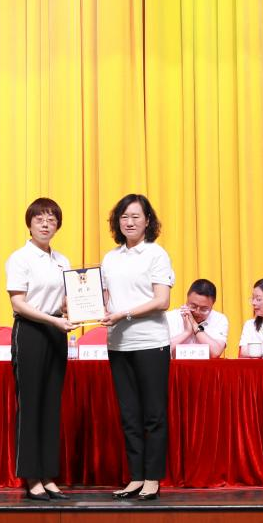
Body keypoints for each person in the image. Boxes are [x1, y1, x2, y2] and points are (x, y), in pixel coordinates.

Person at [101, 194, 175, 501]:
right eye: (124, 217)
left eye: (135, 216)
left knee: (153, 415)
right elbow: (105, 299)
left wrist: (124, 314)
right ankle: (135, 477)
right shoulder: (110, 258)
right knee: (129, 415)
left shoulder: (156, 254)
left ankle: (152, 478)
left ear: (147, 221)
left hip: (150, 343)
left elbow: (162, 301)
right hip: (118, 344)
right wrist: (82, 307)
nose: (129, 222)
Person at [5, 198, 78, 501]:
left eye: (51, 220)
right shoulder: (20, 258)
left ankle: (48, 475)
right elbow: (18, 303)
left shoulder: (62, 261)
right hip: (31, 332)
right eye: (39, 219)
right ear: (30, 224)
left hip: (56, 332)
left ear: (58, 225)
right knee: (31, 404)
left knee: (51, 405)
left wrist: (72, 309)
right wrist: (53, 320)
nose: (46, 224)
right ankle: (31, 476)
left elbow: (67, 298)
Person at [166, 279, 229, 357]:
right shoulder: (170, 317)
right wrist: (186, 332)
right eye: (193, 306)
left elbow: (216, 352)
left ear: (213, 304)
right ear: (187, 298)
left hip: (206, 365)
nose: (197, 312)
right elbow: (161, 350)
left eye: (204, 309)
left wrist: (194, 324)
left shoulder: (219, 319)